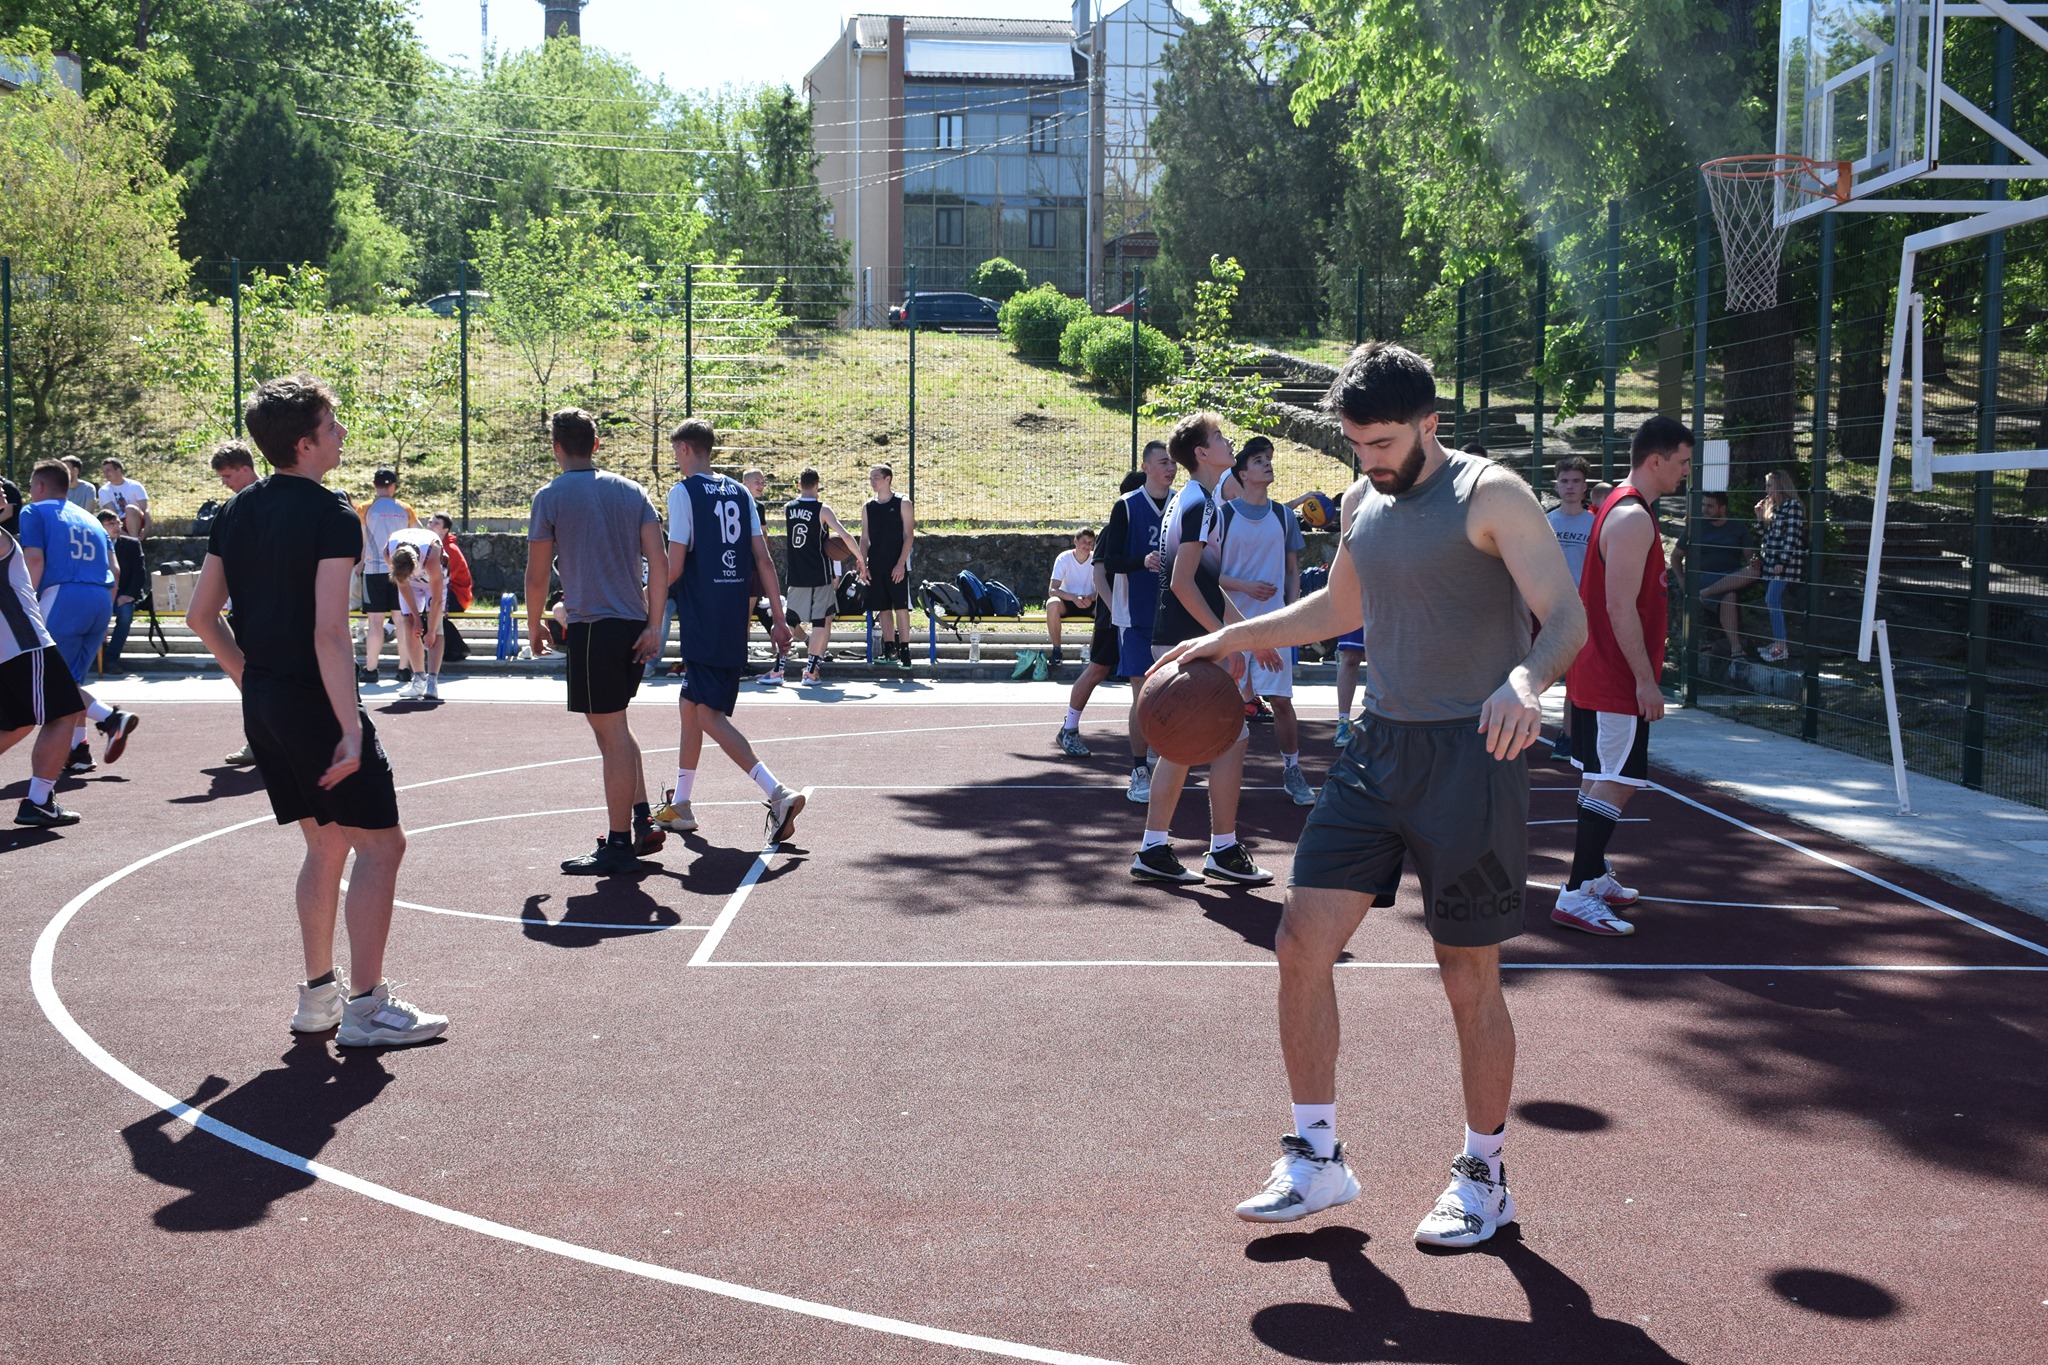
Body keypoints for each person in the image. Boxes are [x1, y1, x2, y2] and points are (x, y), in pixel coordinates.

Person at [1155, 342, 1586, 1247]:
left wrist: (1527, 681)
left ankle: (1484, 1173)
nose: (1370, 460)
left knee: (1466, 971)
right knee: (1299, 938)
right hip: (1374, 749)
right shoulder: (1364, 501)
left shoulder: (1490, 494)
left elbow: (1567, 616)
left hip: (1471, 754)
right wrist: (1225, 642)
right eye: (1358, 444)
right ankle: (1317, 1157)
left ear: (1432, 423)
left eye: (1385, 442)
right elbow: (1333, 612)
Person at [185, 373, 446, 1046]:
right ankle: (365, 1008)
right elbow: (330, 632)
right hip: (315, 701)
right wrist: (352, 729)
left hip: (269, 702)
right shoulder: (333, 515)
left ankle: (317, 999)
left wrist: (255, 682)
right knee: (383, 847)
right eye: (333, 427)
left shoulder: (236, 510)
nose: (343, 435)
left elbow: (200, 615)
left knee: (325, 844)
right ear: (304, 444)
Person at [1554, 416, 1694, 938]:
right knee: (1617, 781)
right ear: (1655, 460)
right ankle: (1574, 892)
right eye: (1681, 462)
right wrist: (1644, 679)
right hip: (1615, 676)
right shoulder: (1633, 518)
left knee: (1601, 774)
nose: (1686, 472)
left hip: (1599, 669)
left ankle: (1590, 874)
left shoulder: (1619, 504)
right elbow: (1619, 606)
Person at [1130, 412, 1275, 888]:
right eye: (1219, 437)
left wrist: (1248, 635)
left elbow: (1208, 584)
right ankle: (1220, 848)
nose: (1228, 440)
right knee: (1212, 738)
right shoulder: (1200, 506)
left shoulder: (1195, 500)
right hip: (1185, 634)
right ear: (1202, 453)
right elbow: (1183, 583)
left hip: (1183, 631)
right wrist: (1221, 639)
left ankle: (1166, 847)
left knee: (1192, 742)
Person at [525, 407, 668, 875]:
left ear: (556, 447)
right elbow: (660, 562)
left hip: (593, 628)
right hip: (630, 625)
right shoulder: (631, 491)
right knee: (618, 729)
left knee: (611, 737)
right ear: (597, 444)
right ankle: (642, 820)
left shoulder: (551, 496)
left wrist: (534, 623)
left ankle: (620, 843)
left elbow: (537, 573)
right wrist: (653, 624)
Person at [650, 420, 804, 845]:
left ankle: (778, 792)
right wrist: (776, 617)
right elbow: (764, 560)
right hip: (733, 617)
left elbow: (675, 564)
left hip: (704, 619)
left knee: (707, 715)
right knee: (689, 705)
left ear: (683, 448)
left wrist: (644, 598)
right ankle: (681, 803)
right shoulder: (740, 491)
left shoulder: (683, 493)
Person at [17, 462, 138, 773]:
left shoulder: (34, 512)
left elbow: (34, 560)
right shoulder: (91, 518)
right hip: (99, 597)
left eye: (32, 488)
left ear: (40, 487)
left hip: (62, 595)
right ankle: (79, 748)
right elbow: (116, 570)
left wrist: (23, 605)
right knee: (71, 679)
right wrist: (105, 610)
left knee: (50, 680)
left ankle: (112, 718)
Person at [1220, 437, 1314, 807]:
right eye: (1259, 460)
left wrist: (1291, 611)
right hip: (1234, 625)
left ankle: (1292, 769)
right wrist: (1244, 585)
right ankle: (1223, 770)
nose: (1268, 464)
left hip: (1275, 626)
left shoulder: (1283, 516)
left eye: (1269, 459)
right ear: (1243, 473)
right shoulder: (1224, 516)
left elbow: (1293, 571)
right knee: (1225, 703)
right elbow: (1207, 576)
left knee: (1282, 701)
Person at [2, 510, 89, 828]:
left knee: (17, 724)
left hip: (10, 645)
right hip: (25, 642)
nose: (2, 488)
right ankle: (38, 802)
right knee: (65, 713)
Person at [1097, 442, 1174, 797]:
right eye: (1163, 462)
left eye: (1173, 461)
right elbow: (1110, 562)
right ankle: (1139, 769)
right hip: (1137, 616)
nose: (1170, 467)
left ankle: (1165, 757)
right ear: (1146, 466)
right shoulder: (1126, 507)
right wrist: (1141, 561)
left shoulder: (1183, 502)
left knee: (1173, 695)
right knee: (1143, 696)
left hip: (1174, 616)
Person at [1053, 472, 1145, 759]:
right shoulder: (1113, 530)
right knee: (1098, 669)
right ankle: (1069, 728)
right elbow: (1099, 571)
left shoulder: (1152, 527)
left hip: (1141, 612)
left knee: (1144, 676)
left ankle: (1151, 740)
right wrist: (1116, 610)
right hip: (1115, 615)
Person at [782, 468, 863, 685]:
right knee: (820, 622)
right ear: (817, 485)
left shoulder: (788, 509)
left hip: (797, 573)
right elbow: (844, 535)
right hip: (819, 572)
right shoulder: (822, 509)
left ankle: (779, 667)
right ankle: (810, 671)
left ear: (799, 485)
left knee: (790, 621)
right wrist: (861, 559)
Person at [1545, 455, 1597, 761]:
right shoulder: (1547, 522)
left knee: (1577, 677)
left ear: (1585, 486)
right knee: (1540, 671)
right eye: (1565, 481)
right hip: (1550, 608)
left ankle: (1568, 735)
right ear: (1556, 484)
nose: (1570, 487)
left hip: (1585, 611)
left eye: (1576, 481)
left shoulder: (1595, 524)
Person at [1669, 489, 1758, 661]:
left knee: (1753, 572)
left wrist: (1753, 560)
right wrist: (1681, 578)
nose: (1705, 509)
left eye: (1710, 506)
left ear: (1723, 508)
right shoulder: (1695, 526)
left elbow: (1750, 555)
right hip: (1703, 575)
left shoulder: (1738, 527)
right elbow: (1675, 556)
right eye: (1703, 505)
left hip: (1730, 575)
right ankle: (1736, 649)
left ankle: (1707, 593)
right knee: (1730, 595)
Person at [354, 467, 418, 687]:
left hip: (373, 570)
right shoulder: (405, 509)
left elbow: (359, 540)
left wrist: (361, 562)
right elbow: (417, 534)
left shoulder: (364, 509)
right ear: (393, 486)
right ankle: (404, 669)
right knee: (401, 620)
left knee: (374, 622)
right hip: (400, 570)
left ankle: (371, 669)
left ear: (375, 485)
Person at [861, 463, 915, 669]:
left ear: (887, 479)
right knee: (882, 608)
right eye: (870, 478)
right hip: (876, 564)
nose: (872, 481)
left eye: (876, 477)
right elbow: (865, 539)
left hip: (896, 564)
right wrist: (862, 562)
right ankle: (889, 648)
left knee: (901, 607)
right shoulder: (868, 507)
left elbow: (909, 536)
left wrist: (901, 564)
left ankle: (905, 650)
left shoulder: (903, 502)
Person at [384, 524, 447, 700]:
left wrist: (431, 630)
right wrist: (417, 619)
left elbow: (437, 600)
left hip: (433, 581)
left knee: (437, 627)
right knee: (409, 624)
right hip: (411, 584)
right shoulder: (389, 552)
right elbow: (403, 585)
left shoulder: (431, 555)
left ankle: (432, 681)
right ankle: (418, 678)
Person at [739, 468, 786, 684]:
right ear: (744, 482)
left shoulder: (758, 507)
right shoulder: (737, 501)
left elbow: (764, 536)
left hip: (754, 567)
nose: (761, 485)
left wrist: (764, 562)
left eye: (763, 482)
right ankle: (736, 660)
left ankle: (741, 660)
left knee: (746, 616)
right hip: (736, 566)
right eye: (757, 481)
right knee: (738, 617)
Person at [1755, 470, 1805, 662]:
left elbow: (1792, 536)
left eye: (1770, 485)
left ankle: (1781, 646)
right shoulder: (1773, 507)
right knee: (1772, 601)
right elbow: (1765, 535)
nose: (1767, 489)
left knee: (1771, 599)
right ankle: (1777, 643)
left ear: (1780, 485)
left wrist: (1782, 562)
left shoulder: (1793, 506)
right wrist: (1759, 517)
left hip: (1784, 564)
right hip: (1771, 562)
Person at [1045, 526, 1099, 670]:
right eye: (1084, 541)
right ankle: (1057, 650)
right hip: (1068, 602)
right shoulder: (1064, 558)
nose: (1087, 546)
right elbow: (1052, 590)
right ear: (1075, 541)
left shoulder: (1096, 559)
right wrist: (1073, 598)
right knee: (1052, 604)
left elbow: (1102, 589)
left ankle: (1094, 653)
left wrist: (1091, 598)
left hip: (1090, 601)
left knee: (1106, 606)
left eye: (1090, 543)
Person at [427, 513, 474, 669]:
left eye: (436, 523)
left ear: (445, 529)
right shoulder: (436, 546)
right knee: (428, 610)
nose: (430, 525)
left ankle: (457, 648)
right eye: (429, 522)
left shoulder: (449, 549)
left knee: (431, 611)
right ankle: (454, 648)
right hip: (445, 591)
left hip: (457, 595)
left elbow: (442, 579)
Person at [97, 458, 148, 538]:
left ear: (118, 470)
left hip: (137, 521)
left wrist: (146, 529)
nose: (106, 474)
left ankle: (134, 541)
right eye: (104, 471)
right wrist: (124, 534)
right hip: (119, 524)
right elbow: (112, 515)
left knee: (130, 509)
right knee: (107, 520)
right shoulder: (104, 491)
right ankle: (132, 542)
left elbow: (145, 510)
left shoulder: (135, 486)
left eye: (108, 470)